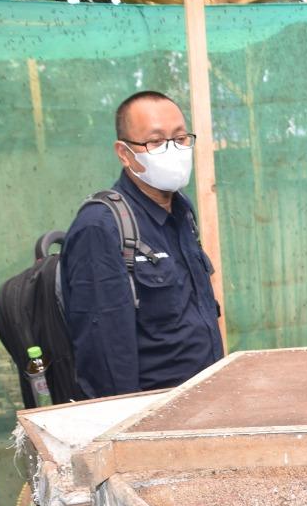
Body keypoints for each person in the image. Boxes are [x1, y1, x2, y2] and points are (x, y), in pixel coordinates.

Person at [61, 90, 222, 398]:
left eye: (180, 138)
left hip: (203, 403)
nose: (173, 150)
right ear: (124, 153)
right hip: (154, 416)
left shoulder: (181, 212)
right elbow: (104, 361)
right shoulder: (101, 229)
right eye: (156, 142)